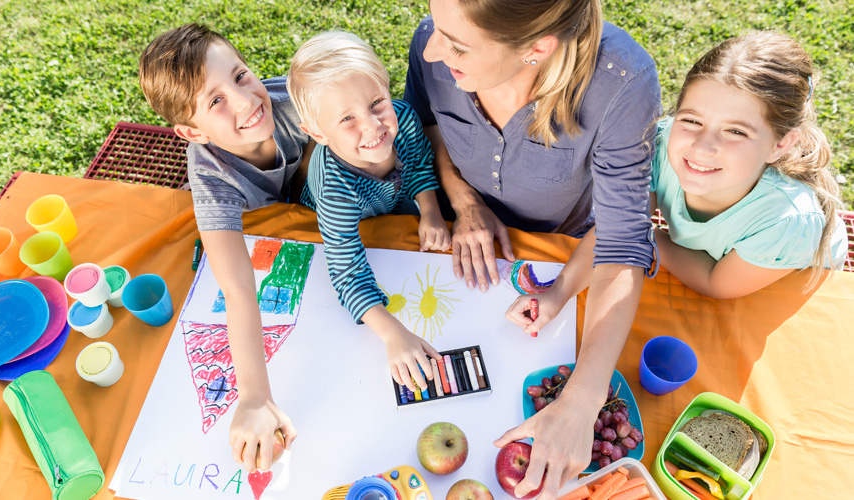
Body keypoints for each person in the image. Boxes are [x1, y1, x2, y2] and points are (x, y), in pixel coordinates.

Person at [404, 0, 661, 498]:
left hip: (563, 241)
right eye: (436, 28)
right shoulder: (431, 43)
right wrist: (463, 198)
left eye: (456, 45)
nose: (431, 49)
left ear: (537, 49)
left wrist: (583, 401)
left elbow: (622, 242)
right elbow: (426, 123)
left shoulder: (621, 83)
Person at [509, 31, 848, 323]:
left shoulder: (786, 223)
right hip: (703, 255)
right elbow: (616, 229)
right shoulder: (661, 144)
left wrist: (645, 237)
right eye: (692, 121)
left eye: (735, 131)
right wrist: (557, 294)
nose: (702, 147)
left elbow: (716, 282)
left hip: (775, 278)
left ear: (780, 145)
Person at [138, 23, 310, 472]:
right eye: (215, 101)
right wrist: (254, 395)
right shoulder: (212, 178)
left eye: (240, 76)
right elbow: (236, 288)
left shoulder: (300, 102)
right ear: (192, 134)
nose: (247, 101)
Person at [287, 31, 451, 391]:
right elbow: (346, 271)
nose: (373, 126)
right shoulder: (334, 188)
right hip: (344, 224)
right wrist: (393, 333)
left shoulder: (404, 119)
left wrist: (431, 211)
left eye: (377, 102)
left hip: (394, 204)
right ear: (316, 132)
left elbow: (421, 161)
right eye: (347, 119)